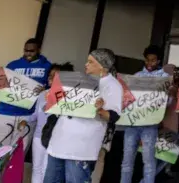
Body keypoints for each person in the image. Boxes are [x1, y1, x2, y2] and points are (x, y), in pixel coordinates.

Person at [45, 49, 123, 183]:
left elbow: (113, 116)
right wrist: (52, 98)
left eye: (91, 62)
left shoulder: (112, 85)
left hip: (81, 149)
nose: (86, 64)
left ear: (103, 66)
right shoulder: (79, 79)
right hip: (59, 141)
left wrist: (99, 109)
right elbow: (61, 103)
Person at [121, 45, 172, 183]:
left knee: (148, 160)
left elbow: (167, 102)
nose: (149, 63)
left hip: (150, 124)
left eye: (153, 60)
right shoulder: (137, 76)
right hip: (132, 123)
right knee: (127, 160)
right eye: (147, 60)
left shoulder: (164, 78)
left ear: (159, 61)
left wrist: (170, 96)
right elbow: (127, 98)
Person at [0, 37, 52, 151]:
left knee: (18, 152)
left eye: (32, 51)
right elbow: (3, 84)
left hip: (28, 114)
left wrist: (45, 90)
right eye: (26, 50)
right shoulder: (13, 65)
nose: (28, 53)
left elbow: (52, 87)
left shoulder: (47, 66)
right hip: (5, 112)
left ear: (39, 50)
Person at [22, 62, 74, 183]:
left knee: (47, 169)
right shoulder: (42, 94)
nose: (51, 77)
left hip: (54, 137)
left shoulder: (67, 96)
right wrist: (25, 120)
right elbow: (36, 114)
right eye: (50, 75)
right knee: (36, 168)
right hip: (38, 136)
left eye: (55, 75)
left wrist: (52, 100)